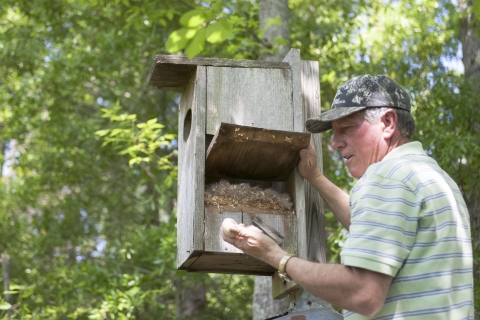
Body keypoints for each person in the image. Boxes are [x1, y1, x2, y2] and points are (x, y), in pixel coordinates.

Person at [222, 75, 474, 319]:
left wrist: (276, 256)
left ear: (387, 123)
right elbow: (369, 226)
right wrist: (315, 177)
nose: (334, 143)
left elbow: (364, 292)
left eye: (346, 128)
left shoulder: (385, 177)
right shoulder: (432, 178)